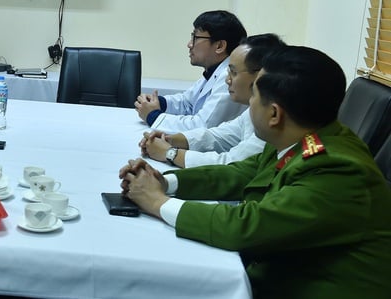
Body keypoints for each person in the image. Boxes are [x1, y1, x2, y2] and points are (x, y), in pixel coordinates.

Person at [120, 46, 391, 298]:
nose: (249, 105)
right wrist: (163, 182)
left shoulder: (336, 169)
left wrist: (157, 203)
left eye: (254, 97)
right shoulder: (303, 137)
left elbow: (246, 227)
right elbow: (240, 174)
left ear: (274, 114)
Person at [139, 34, 285, 168]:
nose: (228, 80)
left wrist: (170, 153)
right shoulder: (252, 109)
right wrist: (171, 139)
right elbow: (220, 135)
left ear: (261, 75)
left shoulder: (272, 118)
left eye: (233, 73)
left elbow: (231, 164)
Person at [134, 10, 247, 133]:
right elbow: (187, 103)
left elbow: (202, 127)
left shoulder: (229, 78)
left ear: (219, 46)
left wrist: (152, 116)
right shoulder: (214, 71)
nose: (189, 44)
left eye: (195, 38)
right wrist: (159, 103)